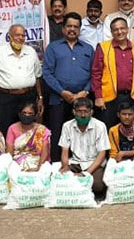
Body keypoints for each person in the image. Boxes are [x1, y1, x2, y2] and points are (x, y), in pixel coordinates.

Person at [42, 13, 93, 161]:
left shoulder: (88, 49)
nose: (72, 29)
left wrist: (85, 91)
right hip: (58, 99)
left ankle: (79, 166)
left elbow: (94, 73)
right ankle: (58, 167)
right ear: (63, 28)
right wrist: (62, 92)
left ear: (79, 29)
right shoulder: (53, 48)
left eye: (75, 27)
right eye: (69, 26)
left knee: (81, 134)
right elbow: (47, 73)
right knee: (58, 134)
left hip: (82, 100)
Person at [0, 24, 43, 133]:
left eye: (23, 35)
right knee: (6, 130)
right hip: (7, 98)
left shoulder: (31, 52)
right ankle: (8, 150)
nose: (20, 38)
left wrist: (40, 97)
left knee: (28, 130)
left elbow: (38, 76)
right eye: (17, 35)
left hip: (28, 96)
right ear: (9, 36)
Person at [91, 17, 134, 126]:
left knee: (128, 131)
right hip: (108, 99)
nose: (119, 32)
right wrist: (98, 96)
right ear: (111, 32)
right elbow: (96, 73)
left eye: (122, 28)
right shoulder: (103, 47)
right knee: (108, 129)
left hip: (131, 97)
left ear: (127, 29)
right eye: (116, 30)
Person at [58, 97, 109, 195]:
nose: (82, 115)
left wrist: (86, 174)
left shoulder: (100, 126)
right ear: (74, 112)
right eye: (79, 111)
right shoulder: (67, 126)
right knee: (59, 179)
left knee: (98, 186)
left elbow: (102, 154)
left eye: (86, 111)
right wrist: (66, 167)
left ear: (91, 112)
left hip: (93, 164)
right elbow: (64, 151)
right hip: (75, 163)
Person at [6, 102, 51, 171]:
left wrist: (38, 169)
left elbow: (45, 152)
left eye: (30, 113)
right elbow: (9, 153)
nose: (27, 115)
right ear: (19, 114)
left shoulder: (42, 130)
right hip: (16, 164)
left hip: (37, 163)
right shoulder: (12, 128)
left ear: (35, 116)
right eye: (24, 113)